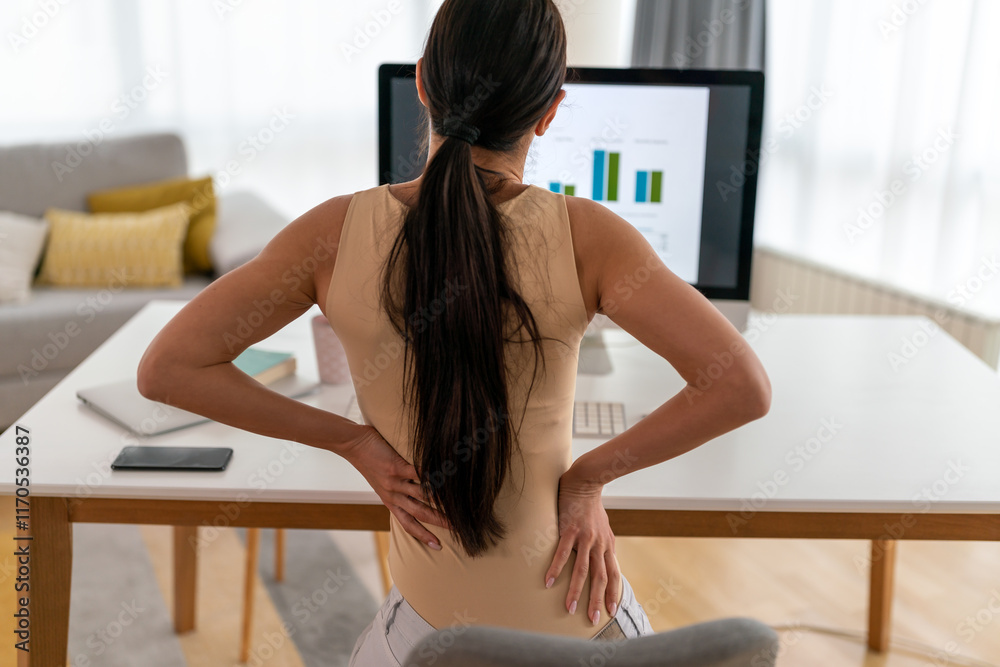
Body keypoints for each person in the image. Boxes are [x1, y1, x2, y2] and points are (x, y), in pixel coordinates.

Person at [137, 0, 771, 664]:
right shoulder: (590, 237)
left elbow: (169, 368)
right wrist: (587, 479)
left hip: (431, 639)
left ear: (421, 84)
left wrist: (351, 440)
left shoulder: (331, 235)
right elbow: (741, 386)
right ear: (551, 111)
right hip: (581, 624)